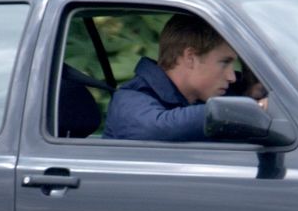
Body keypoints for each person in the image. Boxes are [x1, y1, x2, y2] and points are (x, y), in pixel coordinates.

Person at [103, 14, 265, 141]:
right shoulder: (130, 99)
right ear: (190, 58)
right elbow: (158, 128)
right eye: (224, 62)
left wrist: (257, 93)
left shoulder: (221, 90)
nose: (231, 77)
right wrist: (245, 110)